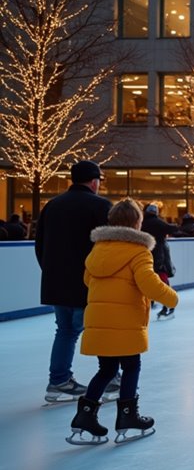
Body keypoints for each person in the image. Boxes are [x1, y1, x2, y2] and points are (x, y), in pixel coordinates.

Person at [66, 198, 179, 445]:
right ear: (138, 222)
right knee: (131, 366)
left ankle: (84, 417)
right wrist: (172, 297)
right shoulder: (138, 251)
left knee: (106, 369)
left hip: (99, 320)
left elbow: (87, 280)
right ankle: (128, 416)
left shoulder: (98, 250)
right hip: (125, 322)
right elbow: (149, 283)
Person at [35, 160, 114, 403]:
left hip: (56, 282)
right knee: (100, 328)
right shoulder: (100, 206)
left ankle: (58, 381)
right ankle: (111, 379)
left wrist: (52, 272)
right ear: (94, 181)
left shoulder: (52, 205)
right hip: (88, 283)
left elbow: (40, 244)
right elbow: (109, 247)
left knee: (66, 331)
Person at [141, 204, 179, 320]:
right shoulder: (158, 222)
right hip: (159, 257)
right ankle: (168, 306)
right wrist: (176, 225)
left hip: (144, 256)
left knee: (146, 280)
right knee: (163, 282)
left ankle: (149, 302)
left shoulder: (142, 223)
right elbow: (172, 228)